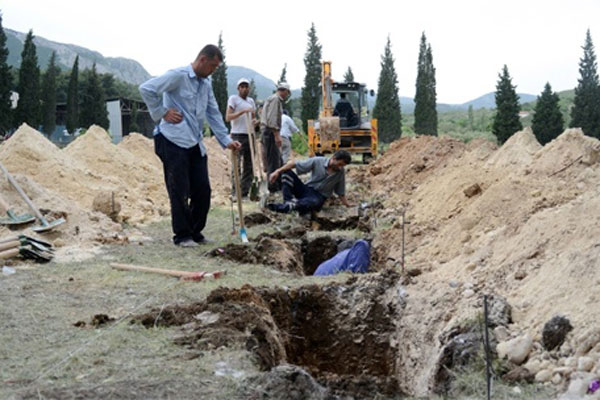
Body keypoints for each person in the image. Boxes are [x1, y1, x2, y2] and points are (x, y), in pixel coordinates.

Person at [139, 44, 241, 248]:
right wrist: (161, 112)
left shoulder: (206, 84)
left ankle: (195, 231)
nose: (213, 71)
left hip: (194, 141)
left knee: (203, 189)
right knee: (179, 189)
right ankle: (182, 235)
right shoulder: (178, 76)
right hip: (172, 140)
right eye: (212, 66)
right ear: (202, 60)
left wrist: (226, 140)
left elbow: (213, 112)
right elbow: (147, 89)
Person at [267, 150, 353, 215]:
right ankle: (288, 201)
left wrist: (347, 205)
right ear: (334, 158)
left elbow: (341, 192)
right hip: (306, 189)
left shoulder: (340, 173)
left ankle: (284, 206)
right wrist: (277, 171)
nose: (340, 167)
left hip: (318, 196)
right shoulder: (318, 161)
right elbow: (295, 164)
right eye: (340, 164)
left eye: (343, 166)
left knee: (312, 204)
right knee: (287, 173)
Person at [225, 78, 256, 197]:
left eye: (246, 87)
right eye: (242, 87)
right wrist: (242, 112)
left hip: (250, 134)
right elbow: (228, 117)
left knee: (249, 165)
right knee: (236, 165)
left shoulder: (251, 101)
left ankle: (244, 192)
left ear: (249, 88)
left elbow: (253, 116)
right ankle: (235, 192)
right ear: (238, 89)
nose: (244, 89)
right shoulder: (233, 99)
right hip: (238, 134)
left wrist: (255, 122)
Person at [260, 82, 290, 192]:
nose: (287, 95)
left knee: (276, 160)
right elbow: (272, 119)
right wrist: (277, 135)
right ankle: (273, 187)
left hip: (268, 132)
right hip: (270, 133)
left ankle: (278, 184)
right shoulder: (275, 100)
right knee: (273, 161)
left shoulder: (272, 99)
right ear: (285, 91)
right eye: (287, 93)